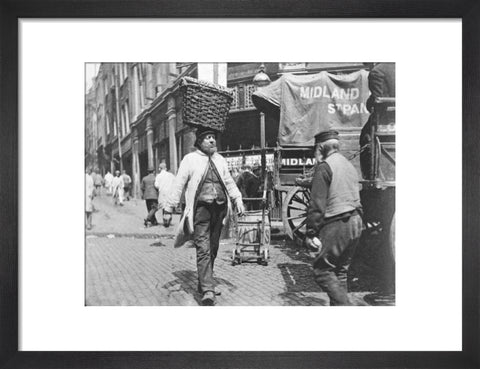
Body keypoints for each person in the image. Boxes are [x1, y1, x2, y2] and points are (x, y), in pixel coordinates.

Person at [164, 127, 245, 306]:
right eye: (207, 138)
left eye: (213, 138)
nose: (211, 141)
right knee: (203, 247)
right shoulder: (190, 159)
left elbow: (229, 181)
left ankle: (203, 282)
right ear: (199, 141)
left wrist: (237, 198)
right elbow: (179, 183)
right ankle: (208, 289)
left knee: (214, 246)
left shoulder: (220, 160)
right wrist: (169, 207)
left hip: (220, 209)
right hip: (201, 210)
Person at [305, 130, 364, 306]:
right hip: (356, 220)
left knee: (322, 271)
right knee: (340, 272)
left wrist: (310, 233)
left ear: (321, 147)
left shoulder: (324, 166)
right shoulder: (348, 165)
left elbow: (317, 204)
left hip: (337, 222)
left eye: (316, 149)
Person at [360, 62, 395, 179]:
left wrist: (369, 103)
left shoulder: (377, 71)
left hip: (387, 120)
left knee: (365, 137)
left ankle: (371, 176)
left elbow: (377, 100)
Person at [154, 162, 175, 226]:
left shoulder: (158, 176)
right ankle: (169, 218)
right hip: (170, 192)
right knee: (169, 205)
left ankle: (165, 220)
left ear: (160, 169)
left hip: (162, 193)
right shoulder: (171, 175)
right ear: (165, 168)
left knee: (163, 206)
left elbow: (156, 185)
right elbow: (175, 183)